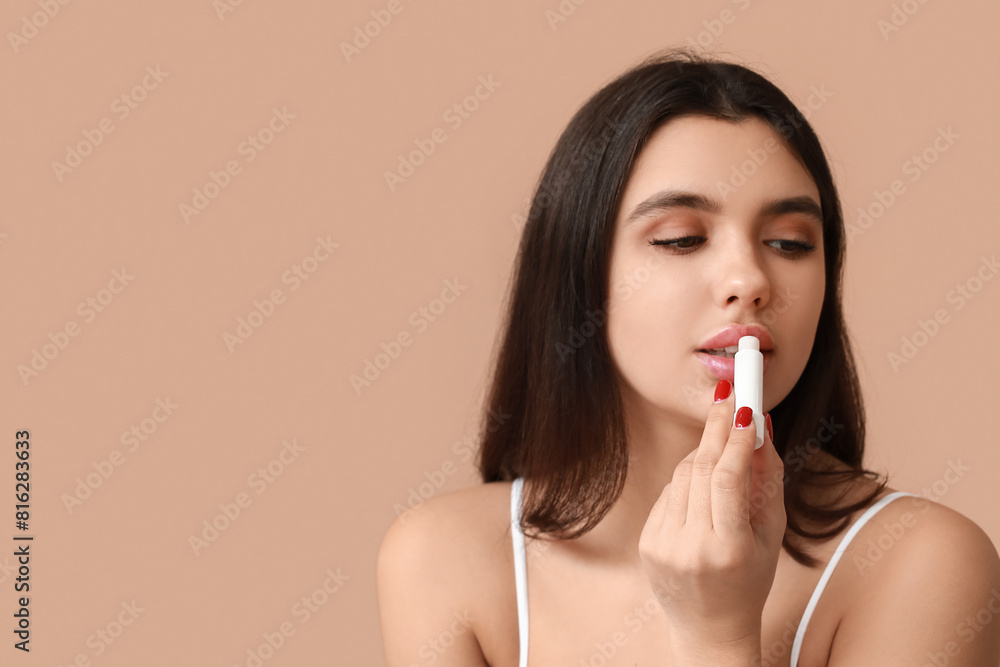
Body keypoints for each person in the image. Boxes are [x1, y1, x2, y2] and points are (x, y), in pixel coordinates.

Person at [376, 48, 1000, 666]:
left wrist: (718, 634)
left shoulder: (922, 563)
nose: (748, 279)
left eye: (789, 242)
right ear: (579, 274)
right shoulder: (443, 560)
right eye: (681, 239)